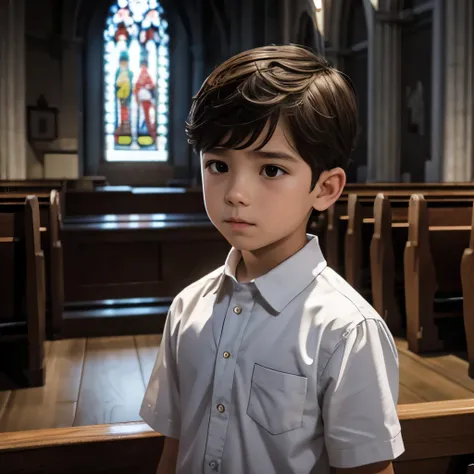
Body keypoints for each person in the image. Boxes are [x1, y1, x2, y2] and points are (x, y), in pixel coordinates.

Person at [140, 44, 405, 474]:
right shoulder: (188, 307)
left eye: (270, 170)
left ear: (325, 188)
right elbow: (175, 449)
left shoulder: (345, 331)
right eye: (218, 165)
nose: (235, 194)